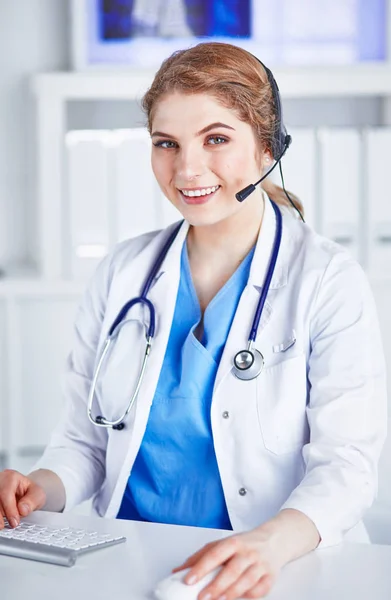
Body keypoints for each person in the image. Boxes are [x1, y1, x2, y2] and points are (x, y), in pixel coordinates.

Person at [0, 42, 387, 600]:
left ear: (267, 147)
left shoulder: (327, 279)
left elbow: (346, 467)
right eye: (167, 143)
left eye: (216, 139)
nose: (187, 168)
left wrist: (269, 544)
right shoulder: (124, 272)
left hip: (269, 569)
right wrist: (38, 488)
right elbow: (84, 445)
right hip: (129, 559)